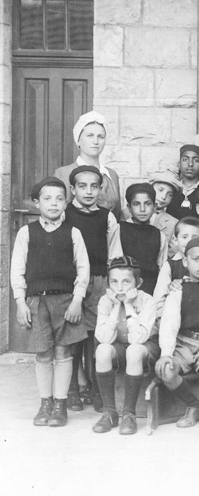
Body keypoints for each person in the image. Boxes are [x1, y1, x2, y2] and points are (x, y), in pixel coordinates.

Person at [11, 177, 90, 427]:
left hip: (66, 301)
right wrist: (20, 302)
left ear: (66, 202)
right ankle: (45, 402)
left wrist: (77, 300)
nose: (54, 204)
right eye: (47, 198)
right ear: (36, 202)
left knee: (63, 351)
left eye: (59, 199)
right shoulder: (27, 232)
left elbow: (83, 269)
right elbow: (17, 270)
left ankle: (60, 404)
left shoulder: (73, 233)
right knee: (43, 353)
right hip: (37, 302)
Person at [64, 165, 123, 412]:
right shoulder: (65, 214)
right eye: (82, 186)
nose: (88, 191)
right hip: (71, 283)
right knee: (72, 337)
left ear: (101, 188)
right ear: (72, 189)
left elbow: (114, 253)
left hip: (98, 281)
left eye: (94, 186)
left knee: (98, 337)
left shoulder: (106, 217)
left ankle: (97, 389)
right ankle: (72, 390)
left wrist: (112, 284)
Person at [155, 238, 199, 428]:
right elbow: (169, 323)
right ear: (185, 261)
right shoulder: (178, 290)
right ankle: (194, 406)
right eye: (195, 259)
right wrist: (166, 354)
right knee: (166, 372)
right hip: (183, 345)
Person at [92, 256, 160, 435]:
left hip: (145, 348)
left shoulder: (147, 301)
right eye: (114, 282)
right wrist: (115, 308)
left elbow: (138, 338)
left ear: (138, 283)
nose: (119, 288)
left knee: (134, 350)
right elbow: (105, 338)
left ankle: (129, 413)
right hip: (119, 346)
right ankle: (110, 412)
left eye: (126, 282)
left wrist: (128, 306)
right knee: (102, 350)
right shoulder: (105, 301)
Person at [54, 111, 121, 217]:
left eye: (100, 137)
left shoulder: (112, 175)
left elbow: (117, 215)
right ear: (78, 140)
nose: (95, 141)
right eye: (89, 136)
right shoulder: (63, 173)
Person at [153, 216, 199, 319]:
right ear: (175, 240)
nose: (189, 242)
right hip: (173, 319)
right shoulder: (170, 266)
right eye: (184, 237)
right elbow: (159, 299)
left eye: (195, 238)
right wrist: (162, 320)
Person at [119, 183, 168, 295]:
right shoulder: (119, 229)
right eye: (136, 204)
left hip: (150, 291)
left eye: (147, 204)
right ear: (129, 208)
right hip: (123, 290)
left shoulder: (158, 235)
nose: (142, 209)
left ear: (155, 207)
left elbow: (162, 268)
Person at [166, 145, 199, 220]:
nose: (190, 164)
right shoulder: (171, 190)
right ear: (179, 164)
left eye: (196, 160)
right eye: (185, 159)